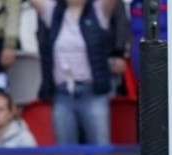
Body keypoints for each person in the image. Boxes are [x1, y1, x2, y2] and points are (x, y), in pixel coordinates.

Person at [30, 0, 117, 146]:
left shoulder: (98, 10)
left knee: (100, 149)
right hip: (63, 95)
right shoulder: (53, 12)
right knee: (66, 153)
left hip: (93, 93)